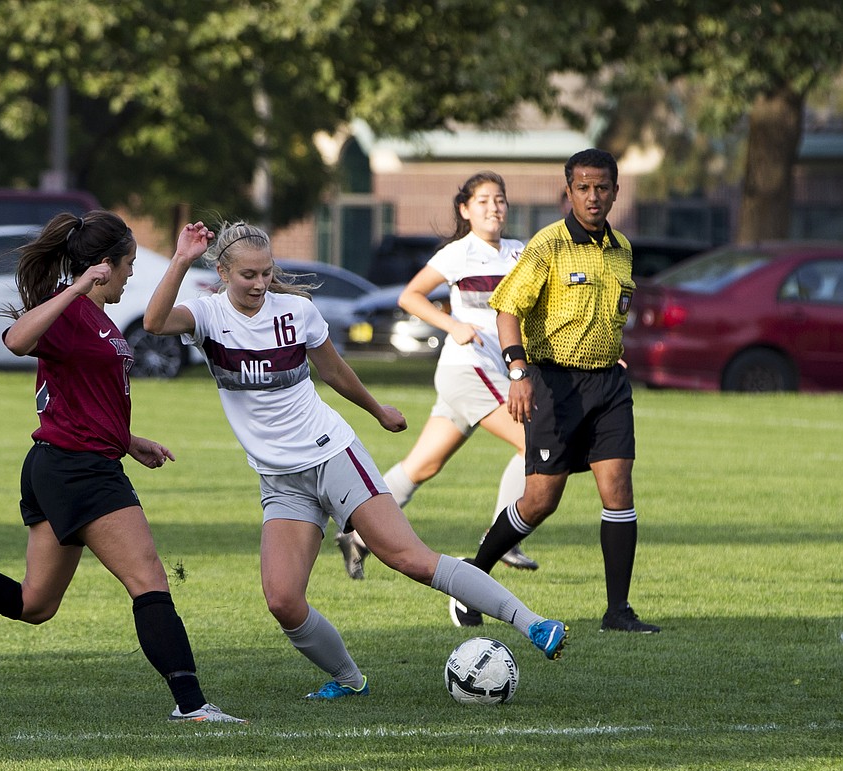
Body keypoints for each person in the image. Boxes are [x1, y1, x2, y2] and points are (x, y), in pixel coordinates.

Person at [144, 220, 568, 701]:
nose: (260, 284)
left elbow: (335, 371)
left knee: (408, 557)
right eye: (248, 276)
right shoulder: (207, 314)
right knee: (283, 600)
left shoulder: (297, 312)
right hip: (280, 481)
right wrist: (179, 260)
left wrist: (378, 410)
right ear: (222, 271)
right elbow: (155, 323)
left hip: (332, 455)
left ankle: (534, 624)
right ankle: (350, 681)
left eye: (267, 273)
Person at [0, 209, 245, 722]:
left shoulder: (96, 318)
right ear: (104, 266)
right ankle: (192, 706)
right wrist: (78, 288)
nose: (130, 276)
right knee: (149, 579)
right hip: (77, 470)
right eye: (127, 266)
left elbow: (78, 395)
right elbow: (17, 341)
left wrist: (128, 440)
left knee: (35, 604)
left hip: (63, 464)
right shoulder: (71, 310)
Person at [453, 148, 660, 634]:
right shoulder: (547, 245)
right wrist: (518, 371)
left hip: (608, 384)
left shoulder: (622, 249)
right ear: (568, 192)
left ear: (615, 191)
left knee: (619, 489)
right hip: (553, 383)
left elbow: (609, 311)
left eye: (602, 187)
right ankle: (469, 578)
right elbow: (507, 309)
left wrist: (610, 347)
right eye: (583, 188)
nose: (593, 196)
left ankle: (618, 612)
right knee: (541, 500)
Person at [334, 171, 538, 581]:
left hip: (488, 372)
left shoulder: (521, 252)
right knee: (533, 441)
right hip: (468, 368)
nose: (493, 207)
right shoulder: (458, 253)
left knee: (421, 467)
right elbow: (410, 296)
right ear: (465, 209)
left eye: (499, 199)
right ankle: (501, 537)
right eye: (482, 201)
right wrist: (453, 326)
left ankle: (356, 533)